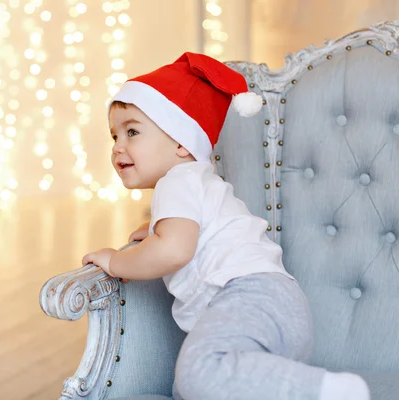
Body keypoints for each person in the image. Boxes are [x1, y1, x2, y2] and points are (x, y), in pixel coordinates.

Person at [81, 52, 370, 400]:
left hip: (249, 298)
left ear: (181, 143)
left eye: (132, 132)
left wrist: (116, 261)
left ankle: (325, 391)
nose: (118, 148)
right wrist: (157, 229)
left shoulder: (178, 181)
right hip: (275, 312)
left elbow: (173, 250)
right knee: (192, 388)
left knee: (198, 373)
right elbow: (182, 234)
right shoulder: (194, 184)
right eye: (114, 137)